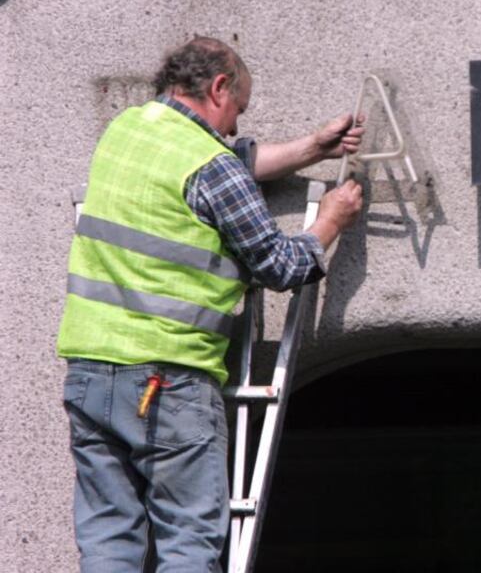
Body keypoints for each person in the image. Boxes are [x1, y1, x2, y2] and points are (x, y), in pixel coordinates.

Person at [56, 36, 364, 572]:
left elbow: (228, 160)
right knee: (189, 542)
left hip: (89, 375)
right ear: (219, 87)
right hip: (167, 380)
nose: (237, 128)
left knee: (107, 542)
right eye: (238, 109)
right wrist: (330, 221)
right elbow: (281, 266)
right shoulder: (212, 167)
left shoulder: (127, 131)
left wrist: (313, 147)